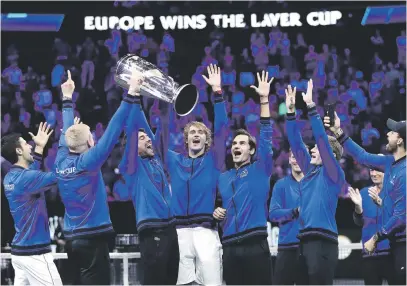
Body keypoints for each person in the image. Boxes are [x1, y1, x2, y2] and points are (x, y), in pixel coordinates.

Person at [54, 70, 141, 285]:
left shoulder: (60, 160)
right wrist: (130, 94)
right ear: (90, 143)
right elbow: (113, 129)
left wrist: (67, 99)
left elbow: (67, 135)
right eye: (91, 135)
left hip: (72, 240)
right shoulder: (88, 161)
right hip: (93, 240)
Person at [326, 114, 406, 285]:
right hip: (396, 244)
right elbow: (361, 156)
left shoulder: (404, 171)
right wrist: (338, 132)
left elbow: (401, 217)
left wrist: (376, 238)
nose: (387, 134)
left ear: (400, 141)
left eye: (392, 133)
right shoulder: (389, 162)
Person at [168, 64, 228, 285]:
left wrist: (218, 93)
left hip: (205, 231)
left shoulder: (213, 160)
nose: (196, 134)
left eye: (200, 132)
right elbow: (161, 138)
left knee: (212, 283)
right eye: (192, 132)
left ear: (206, 140)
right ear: (186, 139)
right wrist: (165, 101)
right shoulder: (175, 161)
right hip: (179, 232)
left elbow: (222, 129)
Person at [116, 76, 179, 285]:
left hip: (171, 229)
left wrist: (165, 94)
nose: (148, 139)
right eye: (142, 139)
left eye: (148, 137)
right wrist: (133, 94)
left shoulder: (157, 159)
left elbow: (163, 122)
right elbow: (135, 127)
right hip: (152, 230)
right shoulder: (132, 167)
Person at [215, 71, 274, 285]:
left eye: (242, 143)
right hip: (229, 247)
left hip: (255, 245)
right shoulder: (223, 177)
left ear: (252, 150)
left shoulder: (261, 169)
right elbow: (216, 207)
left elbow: (266, 135)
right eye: (234, 144)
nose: (236, 147)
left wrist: (264, 100)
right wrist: (216, 212)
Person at [285, 80, 346, 285]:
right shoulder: (311, 170)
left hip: (323, 242)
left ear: (331, 154)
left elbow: (321, 139)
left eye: (317, 149)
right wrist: (291, 112)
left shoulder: (333, 173)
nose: (312, 149)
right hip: (303, 241)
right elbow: (295, 141)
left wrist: (311, 106)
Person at [2, 123, 62, 285]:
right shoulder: (26, 179)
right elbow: (59, 176)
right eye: (25, 143)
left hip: (20, 253)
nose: (30, 145)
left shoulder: (10, 178)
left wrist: (39, 149)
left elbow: (31, 175)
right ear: (19, 151)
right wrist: (67, 148)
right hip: (36, 254)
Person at [348, 165, 397, 285]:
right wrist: (358, 208)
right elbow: (359, 222)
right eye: (371, 170)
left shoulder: (396, 191)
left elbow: (399, 219)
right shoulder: (364, 193)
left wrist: (381, 203)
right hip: (369, 254)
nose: (374, 173)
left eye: (378, 169)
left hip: (392, 253)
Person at [269, 148, 304, 285]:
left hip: (309, 249)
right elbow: (273, 214)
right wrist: (294, 211)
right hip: (286, 248)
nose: (297, 161)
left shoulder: (315, 184)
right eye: (294, 157)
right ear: (289, 160)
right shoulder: (280, 185)